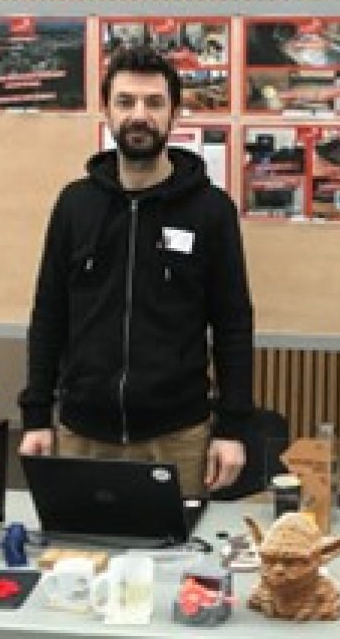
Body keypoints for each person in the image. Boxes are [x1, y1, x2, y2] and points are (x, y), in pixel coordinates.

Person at [18, 45, 253, 497]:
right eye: (125, 102)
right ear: (106, 111)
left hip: (178, 439)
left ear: (175, 114)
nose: (139, 115)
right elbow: (49, 316)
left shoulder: (211, 211)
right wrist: (36, 416)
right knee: (81, 561)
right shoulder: (75, 206)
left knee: (178, 564)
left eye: (154, 103)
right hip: (81, 436)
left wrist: (233, 427)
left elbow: (232, 325)